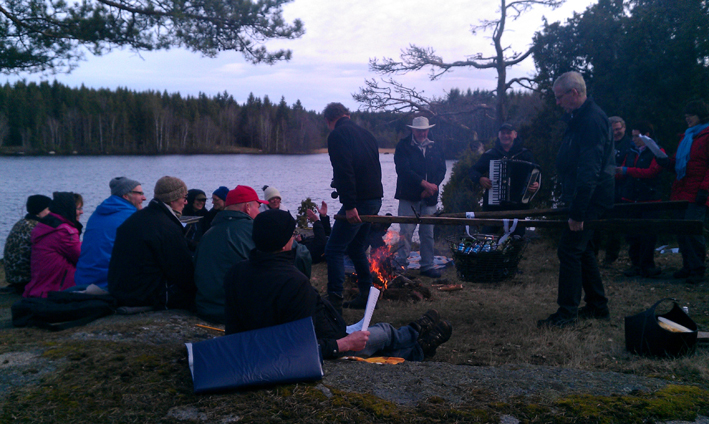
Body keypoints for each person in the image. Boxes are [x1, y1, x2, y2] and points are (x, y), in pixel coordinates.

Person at [223, 209, 453, 360]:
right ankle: (417, 342)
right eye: (291, 234)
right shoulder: (293, 284)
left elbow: (233, 333)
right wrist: (344, 344)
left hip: (286, 343)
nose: (294, 239)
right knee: (381, 333)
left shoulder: (236, 273)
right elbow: (299, 350)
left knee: (377, 334)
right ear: (284, 244)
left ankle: (417, 338)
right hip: (331, 345)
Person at [537, 71, 614, 329]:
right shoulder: (581, 118)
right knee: (584, 250)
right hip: (585, 196)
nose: (557, 102)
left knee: (569, 250)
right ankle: (597, 306)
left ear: (574, 93)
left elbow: (589, 169)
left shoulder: (591, 120)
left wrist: (578, 212)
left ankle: (567, 313)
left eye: (560, 97)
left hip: (590, 198)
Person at [322, 102, 384, 313]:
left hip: (359, 202)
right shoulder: (367, 134)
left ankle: (334, 301)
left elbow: (344, 171)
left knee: (333, 249)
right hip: (375, 198)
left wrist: (349, 205)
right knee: (356, 247)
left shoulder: (337, 135)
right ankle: (366, 296)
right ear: (347, 114)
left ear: (328, 120)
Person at [108, 176, 196, 309]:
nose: (186, 202)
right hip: (143, 296)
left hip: (120, 291)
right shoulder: (166, 226)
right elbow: (183, 272)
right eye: (184, 197)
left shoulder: (140, 218)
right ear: (173, 200)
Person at [193, 185, 267, 323]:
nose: (259, 212)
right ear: (247, 207)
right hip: (241, 311)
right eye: (258, 207)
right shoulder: (255, 231)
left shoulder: (207, 235)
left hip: (206, 308)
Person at [656, 100, 709, 285]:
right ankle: (688, 266)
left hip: (697, 192)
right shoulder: (687, 136)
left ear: (701, 115)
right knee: (681, 230)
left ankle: (697, 269)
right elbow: (678, 163)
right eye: (686, 116)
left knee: (692, 232)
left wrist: (705, 189)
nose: (687, 119)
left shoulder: (706, 136)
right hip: (681, 191)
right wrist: (665, 162)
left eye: (691, 115)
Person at [394, 116, 447, 278]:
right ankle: (401, 265)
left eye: (424, 130)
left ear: (428, 130)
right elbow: (403, 171)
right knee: (406, 232)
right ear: (412, 130)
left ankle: (427, 265)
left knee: (428, 233)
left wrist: (432, 187)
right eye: (419, 130)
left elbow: (442, 170)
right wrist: (424, 185)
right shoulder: (403, 146)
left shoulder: (435, 146)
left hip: (429, 198)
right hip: (408, 197)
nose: (422, 133)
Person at [74, 177, 145, 290]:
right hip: (109, 282)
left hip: (83, 279)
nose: (144, 197)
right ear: (126, 196)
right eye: (140, 193)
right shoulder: (133, 217)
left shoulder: (96, 214)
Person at [469, 123, 539, 237]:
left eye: (509, 133)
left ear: (515, 135)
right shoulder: (491, 154)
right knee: (487, 238)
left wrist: (536, 185)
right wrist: (480, 179)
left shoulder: (525, 154)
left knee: (517, 240)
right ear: (499, 135)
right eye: (503, 133)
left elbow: (536, 174)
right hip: (494, 207)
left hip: (519, 207)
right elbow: (473, 171)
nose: (505, 136)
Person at [615, 122, 664, 278]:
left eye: (636, 136)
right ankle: (636, 264)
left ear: (646, 135)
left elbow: (651, 172)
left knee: (648, 235)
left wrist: (627, 171)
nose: (633, 139)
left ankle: (647, 265)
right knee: (632, 234)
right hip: (630, 198)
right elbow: (622, 172)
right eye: (633, 136)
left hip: (649, 199)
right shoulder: (631, 152)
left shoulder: (657, 152)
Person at [24, 192, 84, 298]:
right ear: (68, 209)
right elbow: (82, 258)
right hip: (56, 289)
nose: (82, 212)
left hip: (40, 288)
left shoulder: (45, 225)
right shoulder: (64, 232)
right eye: (78, 209)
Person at [598, 116, 633, 264]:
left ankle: (613, 256)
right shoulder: (605, 143)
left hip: (623, 189)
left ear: (624, 128)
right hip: (605, 188)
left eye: (618, 129)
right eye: (613, 130)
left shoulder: (630, 144)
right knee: (603, 223)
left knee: (618, 225)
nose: (616, 133)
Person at [2, 195, 51, 294]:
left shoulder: (21, 223)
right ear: (40, 210)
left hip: (13, 276)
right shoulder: (37, 228)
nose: (51, 213)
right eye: (48, 209)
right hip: (26, 279)